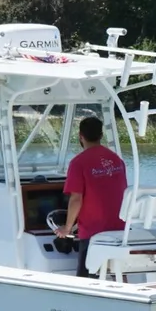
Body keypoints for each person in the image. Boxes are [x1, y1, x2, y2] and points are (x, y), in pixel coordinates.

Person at [54, 117, 128, 277]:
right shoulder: (117, 161)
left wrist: (67, 228)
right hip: (120, 231)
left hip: (95, 233)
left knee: (84, 281)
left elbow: (76, 199)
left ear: (80, 136)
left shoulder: (78, 163)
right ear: (101, 135)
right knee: (119, 275)